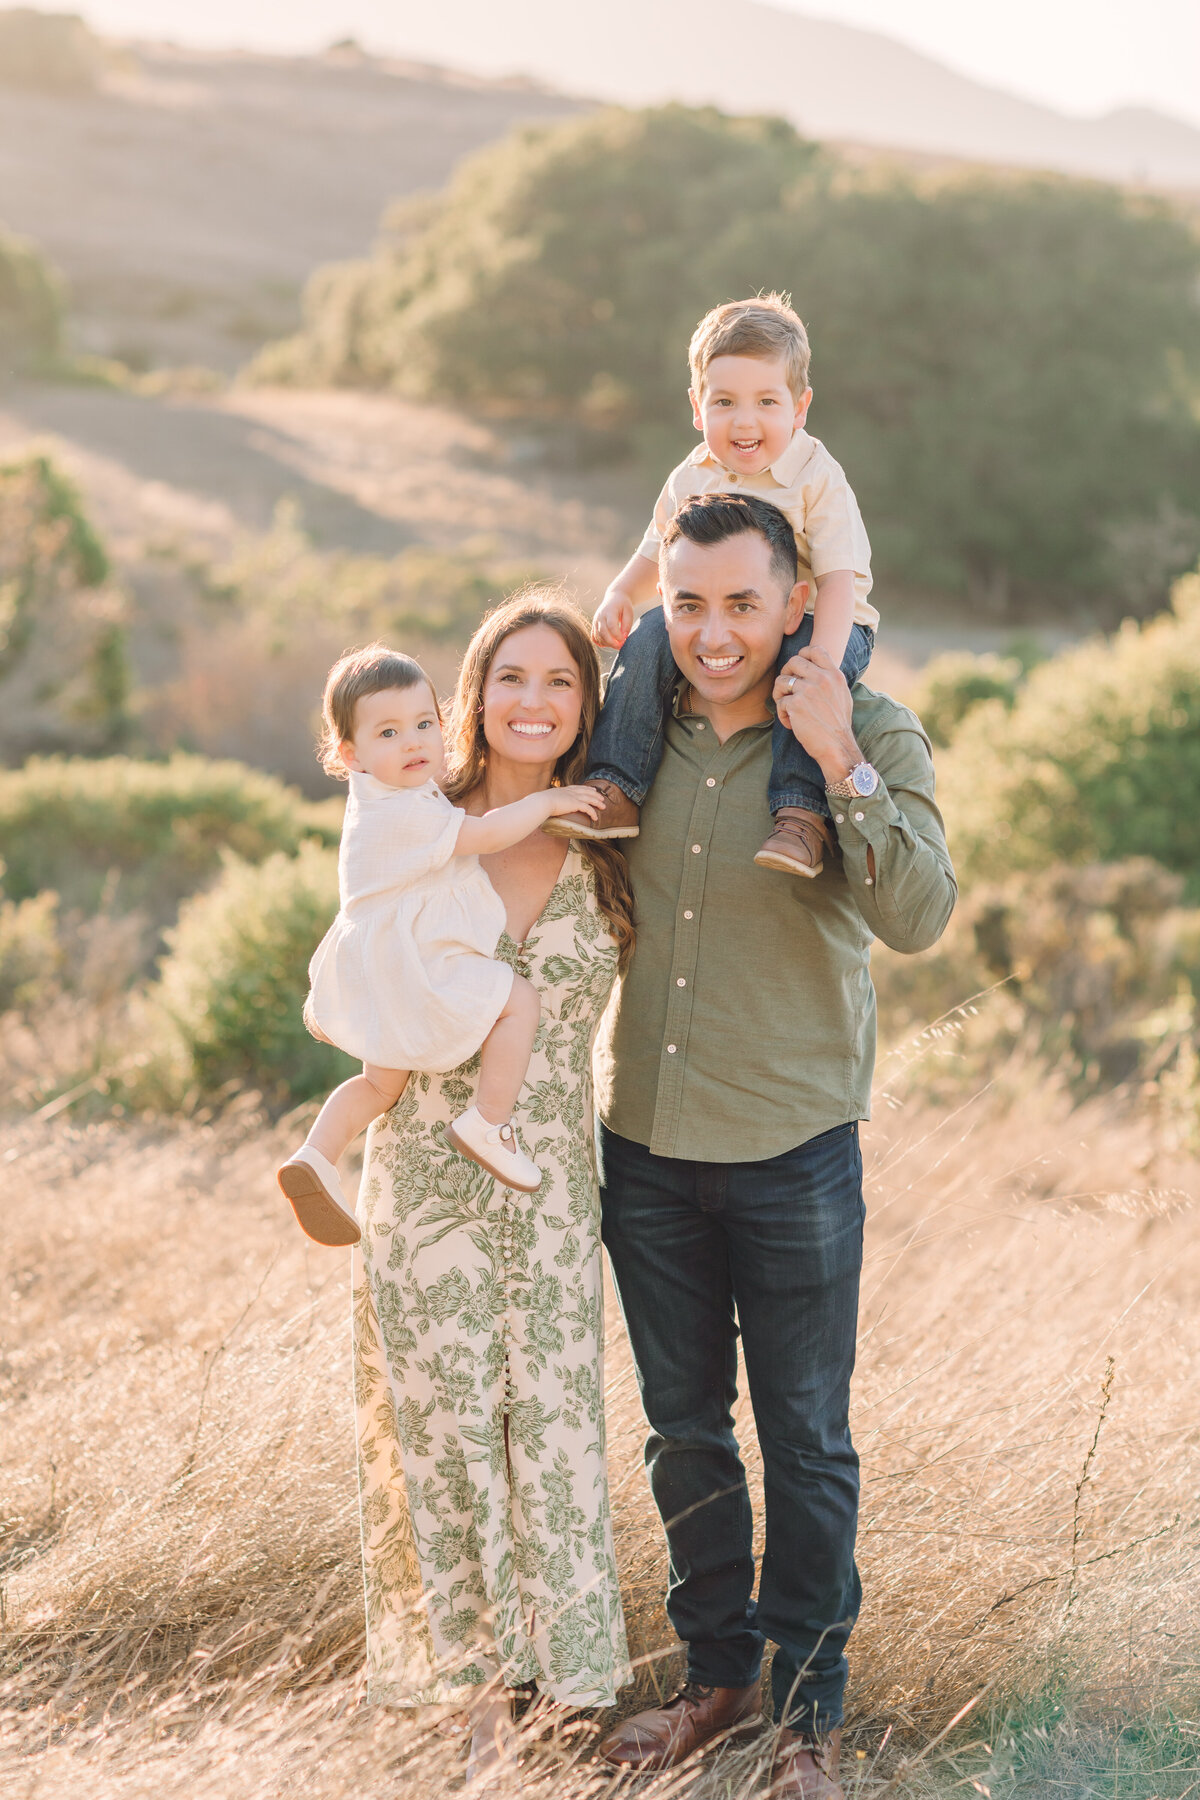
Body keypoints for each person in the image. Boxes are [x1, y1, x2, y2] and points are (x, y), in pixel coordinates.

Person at [592, 494, 956, 1798]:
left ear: (799, 602)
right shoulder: (634, 734)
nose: (712, 631)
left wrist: (839, 761)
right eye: (688, 604)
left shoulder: (868, 726)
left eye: (742, 602)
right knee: (684, 1431)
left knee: (805, 1436)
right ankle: (716, 1678)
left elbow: (920, 915)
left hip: (794, 1148)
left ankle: (811, 1717)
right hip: (641, 1145)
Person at [349, 594, 634, 1780]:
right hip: (421, 1170)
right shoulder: (417, 819)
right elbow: (358, 967)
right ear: (475, 692)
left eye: (560, 682)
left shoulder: (613, 834)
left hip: (551, 1174)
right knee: (451, 1434)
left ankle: (569, 1703)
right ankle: (478, 1718)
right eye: (511, 677)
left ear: (587, 704)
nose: (533, 701)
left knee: (555, 1433)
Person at [276, 643, 607, 1242]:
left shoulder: (389, 794)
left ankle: (318, 1156)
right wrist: (551, 800)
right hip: (413, 962)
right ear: (349, 754)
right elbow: (483, 833)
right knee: (517, 1001)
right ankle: (489, 1121)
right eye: (390, 732)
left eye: (425, 724)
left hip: (387, 961)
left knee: (381, 1084)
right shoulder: (404, 812)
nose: (414, 743)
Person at [546, 293, 878, 880]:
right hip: (733, 618)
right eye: (724, 401)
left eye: (766, 402)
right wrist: (623, 592)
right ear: (698, 407)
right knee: (647, 638)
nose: (744, 421)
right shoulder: (691, 475)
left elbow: (837, 580)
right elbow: (658, 544)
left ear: (799, 408)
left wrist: (823, 661)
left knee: (801, 676)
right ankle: (616, 786)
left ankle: (802, 818)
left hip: (827, 619)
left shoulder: (818, 477)